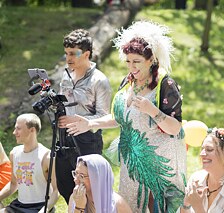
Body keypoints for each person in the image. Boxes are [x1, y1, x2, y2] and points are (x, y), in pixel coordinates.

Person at [66, 21, 187, 212]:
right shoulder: (127, 81)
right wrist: (90, 123)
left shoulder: (165, 84)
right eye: (128, 61)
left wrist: (153, 111)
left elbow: (175, 128)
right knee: (130, 206)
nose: (131, 67)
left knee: (157, 207)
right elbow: (119, 118)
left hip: (158, 161)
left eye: (136, 62)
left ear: (151, 60)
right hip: (131, 160)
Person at [57, 28, 112, 203]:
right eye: (66, 53)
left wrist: (84, 121)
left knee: (90, 190)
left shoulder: (99, 80)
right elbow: (61, 105)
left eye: (73, 53)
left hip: (88, 141)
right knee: (65, 185)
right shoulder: (66, 77)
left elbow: (105, 117)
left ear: (86, 54)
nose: (68, 58)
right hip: (64, 140)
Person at [178, 128, 224, 213]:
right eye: (202, 149)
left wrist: (199, 207)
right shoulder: (196, 179)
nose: (202, 154)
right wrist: (186, 205)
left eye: (209, 149)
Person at [0, 113, 59, 213]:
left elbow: (56, 191)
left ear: (32, 130)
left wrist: (44, 210)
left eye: (18, 129)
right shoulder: (14, 153)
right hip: (18, 205)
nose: (14, 132)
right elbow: (13, 184)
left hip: (40, 207)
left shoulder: (47, 157)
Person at [68, 154, 132, 213]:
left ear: (97, 179)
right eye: (76, 173)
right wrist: (79, 208)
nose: (75, 180)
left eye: (81, 176)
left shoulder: (118, 205)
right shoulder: (75, 198)